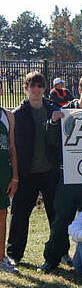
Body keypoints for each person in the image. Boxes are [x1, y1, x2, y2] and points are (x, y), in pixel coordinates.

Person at [38, 74, 82, 273]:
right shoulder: (66, 110)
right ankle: (52, 258)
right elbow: (51, 140)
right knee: (61, 219)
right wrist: (54, 122)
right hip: (68, 175)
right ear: (79, 88)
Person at [6, 72, 61, 266]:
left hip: (50, 171)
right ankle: (14, 254)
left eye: (39, 86)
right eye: (32, 86)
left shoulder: (54, 110)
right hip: (26, 172)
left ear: (45, 88)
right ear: (26, 88)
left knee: (56, 215)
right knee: (20, 215)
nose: (36, 90)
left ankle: (60, 252)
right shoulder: (17, 114)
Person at [0, 104, 19, 273]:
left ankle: (1, 258)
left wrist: (14, 177)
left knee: (2, 214)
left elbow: (12, 147)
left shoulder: (7, 115)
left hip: (2, 172)